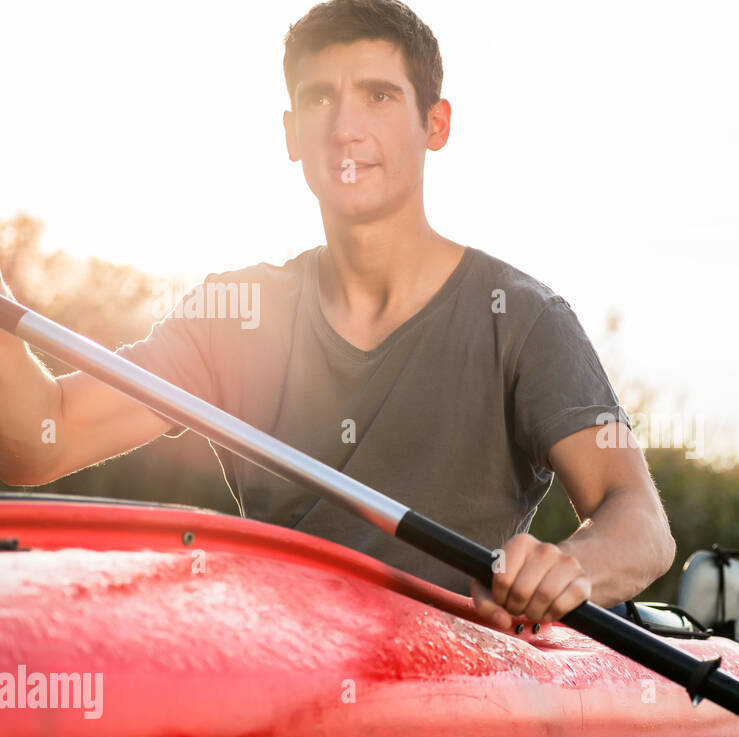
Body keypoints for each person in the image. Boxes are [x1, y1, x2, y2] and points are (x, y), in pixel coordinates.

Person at [0, 0, 675, 631]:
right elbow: (43, 438)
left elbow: (641, 521)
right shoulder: (237, 314)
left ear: (434, 124)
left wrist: (574, 566)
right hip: (280, 660)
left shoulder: (525, 318)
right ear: (291, 134)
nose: (345, 127)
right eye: (319, 98)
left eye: (379, 96)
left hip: (460, 677)